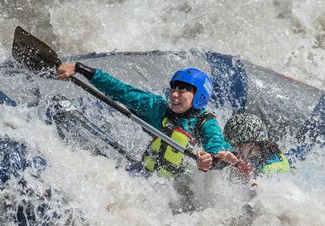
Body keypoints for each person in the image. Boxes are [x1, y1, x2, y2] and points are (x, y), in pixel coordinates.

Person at [57, 63, 238, 177]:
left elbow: (217, 144)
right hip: (143, 177)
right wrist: (81, 69)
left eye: (182, 90)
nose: (174, 94)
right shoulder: (158, 108)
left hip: (175, 192)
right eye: (173, 88)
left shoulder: (205, 122)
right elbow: (122, 91)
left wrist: (214, 158)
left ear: (199, 96)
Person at [223, 113, 291, 183]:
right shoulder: (260, 153)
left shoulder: (270, 169)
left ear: (250, 144)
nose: (230, 148)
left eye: (234, 144)